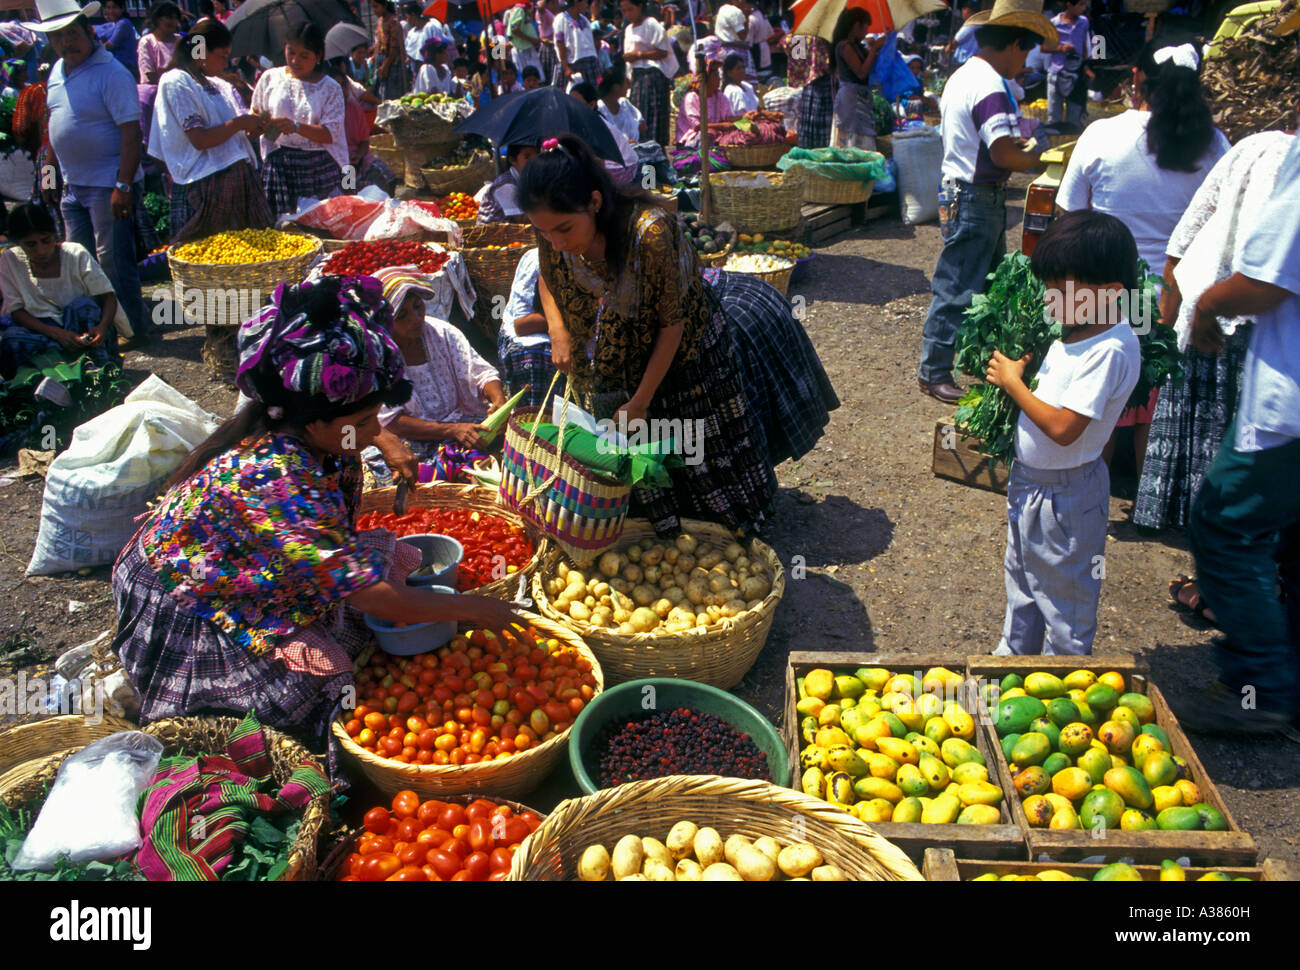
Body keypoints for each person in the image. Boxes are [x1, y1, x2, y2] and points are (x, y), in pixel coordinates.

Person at [110, 275, 523, 742]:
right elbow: (371, 596)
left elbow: (336, 540)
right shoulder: (278, 480)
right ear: (314, 420)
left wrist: (380, 436)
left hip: (250, 565)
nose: (375, 432)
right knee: (302, 698)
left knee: (381, 582)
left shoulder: (319, 438)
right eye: (365, 423)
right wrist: (477, 610)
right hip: (192, 595)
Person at [519, 135, 776, 534]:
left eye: (564, 229)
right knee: (628, 450)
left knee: (689, 444)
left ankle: (722, 530)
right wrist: (557, 330)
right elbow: (546, 280)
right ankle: (652, 527)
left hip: (680, 357)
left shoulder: (649, 234)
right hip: (612, 355)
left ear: (595, 202)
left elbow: (671, 325)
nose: (556, 242)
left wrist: (641, 400)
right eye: (545, 232)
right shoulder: (551, 229)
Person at [1056, 40, 1229, 476]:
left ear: (1135, 78)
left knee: (1099, 399)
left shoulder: (1101, 134)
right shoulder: (1215, 146)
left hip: (1103, 297)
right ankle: (1152, 495)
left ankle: (1088, 488)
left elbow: (1068, 216)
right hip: (1176, 300)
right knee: (1156, 398)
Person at [1179, 133, 1300, 737]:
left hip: (1291, 403)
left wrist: (1205, 306)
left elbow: (1265, 278)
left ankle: (1258, 691)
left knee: (1225, 524)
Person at [986, 211, 1141, 655]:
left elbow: (1063, 428)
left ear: (1109, 294)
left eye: (1060, 289)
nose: (1049, 298)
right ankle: (1012, 663)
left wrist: (1013, 383)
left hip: (1066, 498)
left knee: (1064, 598)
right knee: (1024, 583)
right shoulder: (1074, 335)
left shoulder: (1110, 350)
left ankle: (1063, 678)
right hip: (1032, 488)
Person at [1137, 130, 1295, 552]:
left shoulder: (1252, 146)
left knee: (1217, 435)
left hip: (1215, 305)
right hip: (1241, 316)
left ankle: (1217, 553)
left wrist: (1175, 313)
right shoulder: (1244, 146)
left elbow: (1185, 237)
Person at [917, 3, 1054, 404]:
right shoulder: (990, 85)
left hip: (967, 195)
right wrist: (1039, 158)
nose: (1025, 62)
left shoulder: (964, 76)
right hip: (975, 196)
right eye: (1025, 52)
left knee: (990, 284)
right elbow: (1003, 155)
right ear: (1012, 44)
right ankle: (934, 371)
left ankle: (981, 360)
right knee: (958, 286)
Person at [36, 3, 147, 348]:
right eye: (57, 36)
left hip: (108, 183)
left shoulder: (112, 73)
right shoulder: (57, 70)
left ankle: (134, 326)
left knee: (113, 259)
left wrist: (123, 185)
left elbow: (131, 134)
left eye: (72, 33)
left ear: (89, 31)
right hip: (72, 183)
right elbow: (56, 125)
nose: (66, 42)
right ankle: (102, 326)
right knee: (79, 260)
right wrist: (50, 172)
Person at [370, 266, 509, 478]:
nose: (416, 318)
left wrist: (499, 401)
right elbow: (392, 421)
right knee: (416, 476)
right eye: (402, 315)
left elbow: (481, 372)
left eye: (418, 307)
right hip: (412, 439)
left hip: (459, 421)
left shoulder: (442, 332)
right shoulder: (380, 357)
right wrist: (451, 430)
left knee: (513, 439)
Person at [149, 18, 272, 244]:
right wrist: (239, 124)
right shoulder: (177, 81)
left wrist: (250, 129)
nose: (225, 63)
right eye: (221, 56)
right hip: (205, 188)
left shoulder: (216, 85)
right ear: (200, 50)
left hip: (237, 183)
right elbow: (199, 139)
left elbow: (229, 132)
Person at [0, 203, 126, 378]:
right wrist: (56, 333)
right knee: (12, 339)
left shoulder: (75, 253)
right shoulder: (9, 260)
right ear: (19, 243)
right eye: (31, 245)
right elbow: (16, 311)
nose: (41, 250)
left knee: (83, 307)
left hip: (79, 329)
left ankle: (99, 372)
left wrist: (102, 328)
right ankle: (37, 385)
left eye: (46, 240)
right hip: (42, 330)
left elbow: (109, 297)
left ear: (54, 235)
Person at [251, 23, 348, 219]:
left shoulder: (330, 88)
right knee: (283, 230)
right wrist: (261, 123)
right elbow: (254, 116)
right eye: (291, 52)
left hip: (317, 168)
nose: (295, 60)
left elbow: (330, 134)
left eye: (304, 55)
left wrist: (295, 126)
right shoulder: (270, 78)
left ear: (318, 56)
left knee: (319, 227)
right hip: (280, 167)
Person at [324, 56, 398, 195]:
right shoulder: (325, 112)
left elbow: (364, 140)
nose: (341, 90)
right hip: (339, 162)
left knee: (387, 178)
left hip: (358, 157)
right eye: (336, 86)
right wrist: (350, 161)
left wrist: (358, 156)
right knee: (352, 190)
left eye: (344, 85)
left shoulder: (354, 107)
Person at [497, 247, 556, 409]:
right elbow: (522, 325)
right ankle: (533, 419)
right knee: (537, 357)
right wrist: (562, 324)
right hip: (531, 336)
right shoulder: (536, 260)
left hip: (568, 328)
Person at [620, 0, 674, 147]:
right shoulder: (629, 29)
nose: (627, 14)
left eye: (630, 9)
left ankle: (656, 153)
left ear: (640, 6)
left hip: (652, 77)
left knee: (654, 118)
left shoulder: (651, 24)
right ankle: (643, 153)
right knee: (639, 116)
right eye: (624, 11)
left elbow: (662, 51)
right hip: (637, 78)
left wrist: (638, 55)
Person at [830, 8, 885, 152]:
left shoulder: (858, 47)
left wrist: (875, 49)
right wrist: (873, 50)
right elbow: (861, 73)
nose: (867, 31)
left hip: (861, 98)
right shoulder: (844, 46)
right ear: (856, 25)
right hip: (850, 100)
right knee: (851, 141)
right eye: (866, 26)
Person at [136, 2, 181, 155]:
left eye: (175, 18)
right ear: (157, 19)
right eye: (168, 17)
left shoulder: (181, 41)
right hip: (156, 94)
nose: (173, 22)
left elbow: (198, 66)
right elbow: (150, 75)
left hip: (180, 92)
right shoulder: (147, 41)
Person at [784, 32, 833, 149]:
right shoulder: (824, 37)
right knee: (824, 131)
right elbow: (826, 66)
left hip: (808, 87)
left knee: (810, 130)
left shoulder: (798, 37)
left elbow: (797, 63)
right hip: (824, 87)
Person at [1046, 0, 1090, 126]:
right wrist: (1060, 49)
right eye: (1080, 4)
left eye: (1084, 4)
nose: (1083, 8)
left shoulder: (1084, 22)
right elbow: (1044, 47)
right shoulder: (1054, 23)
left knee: (1075, 118)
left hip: (1075, 75)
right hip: (1056, 74)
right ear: (1069, 4)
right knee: (1054, 118)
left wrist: (1084, 64)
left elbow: (1084, 45)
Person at [674, 59, 733, 148]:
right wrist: (722, 126)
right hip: (692, 141)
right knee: (706, 136)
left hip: (715, 136)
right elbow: (698, 126)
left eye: (718, 75)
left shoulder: (719, 95)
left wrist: (744, 118)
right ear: (706, 78)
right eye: (715, 75)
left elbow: (728, 118)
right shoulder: (691, 97)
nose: (719, 79)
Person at [476, 141, 539, 223]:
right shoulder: (505, 185)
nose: (534, 160)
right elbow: (522, 219)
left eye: (537, 154)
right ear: (513, 160)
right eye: (527, 157)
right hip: (494, 233)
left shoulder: (528, 179)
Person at [555, 0, 599, 88]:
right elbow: (560, 43)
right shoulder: (561, 19)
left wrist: (597, 62)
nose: (587, 5)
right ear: (576, 2)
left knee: (593, 91)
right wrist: (566, 68)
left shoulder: (584, 19)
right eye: (585, 2)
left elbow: (591, 44)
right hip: (573, 63)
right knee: (574, 94)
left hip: (590, 61)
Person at [370, 0, 408, 101]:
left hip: (392, 63)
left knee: (391, 97)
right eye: (373, 7)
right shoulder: (380, 21)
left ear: (385, 5)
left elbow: (395, 47)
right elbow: (379, 42)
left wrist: (386, 65)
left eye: (376, 7)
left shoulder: (393, 22)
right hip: (380, 60)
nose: (374, 10)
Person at [597, 71, 645, 143]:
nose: (628, 86)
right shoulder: (600, 108)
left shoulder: (624, 103)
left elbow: (643, 126)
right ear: (616, 87)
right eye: (626, 83)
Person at [93, 0, 137, 78]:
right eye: (108, 8)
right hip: (114, 67)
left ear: (122, 8)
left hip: (126, 68)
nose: (111, 11)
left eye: (114, 7)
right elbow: (95, 29)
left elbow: (109, 46)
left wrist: (98, 44)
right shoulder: (112, 24)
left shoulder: (124, 23)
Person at [741, 0, 778, 82]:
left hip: (756, 49)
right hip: (764, 47)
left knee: (759, 75)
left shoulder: (751, 19)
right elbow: (770, 33)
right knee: (765, 73)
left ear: (749, 5)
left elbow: (748, 41)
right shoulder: (761, 15)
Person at [713, 1, 750, 79]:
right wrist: (747, 16)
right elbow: (742, 36)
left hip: (724, 50)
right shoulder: (735, 11)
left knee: (725, 79)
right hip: (735, 51)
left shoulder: (723, 8)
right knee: (740, 80)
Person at [505, 0, 542, 78]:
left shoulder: (523, 10)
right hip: (523, 50)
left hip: (526, 48)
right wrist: (531, 40)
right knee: (529, 78)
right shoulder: (519, 10)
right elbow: (514, 29)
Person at [537, 0, 560, 84]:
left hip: (555, 46)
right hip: (547, 47)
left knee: (555, 76)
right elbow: (540, 7)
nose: (556, 5)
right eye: (553, 3)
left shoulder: (555, 15)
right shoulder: (545, 13)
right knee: (547, 76)